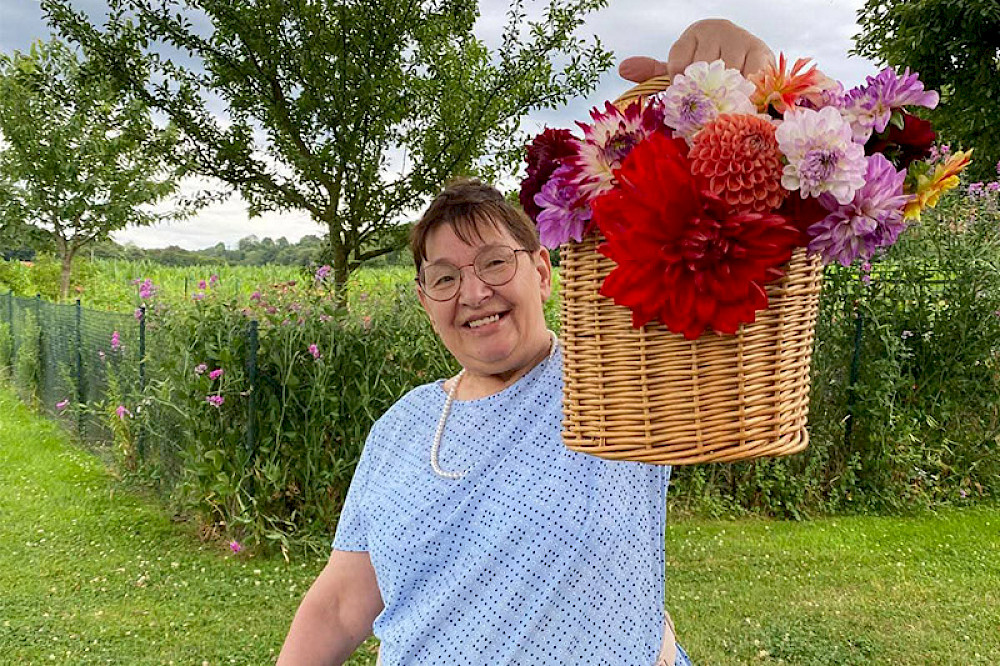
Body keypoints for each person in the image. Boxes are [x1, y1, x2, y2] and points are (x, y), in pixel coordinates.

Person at [277, 19, 774, 666]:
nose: (473, 292)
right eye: (444, 277)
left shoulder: (621, 382)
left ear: (542, 271)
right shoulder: (401, 428)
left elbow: (732, 232)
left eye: (493, 262)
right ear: (426, 300)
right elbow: (344, 604)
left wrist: (740, 95)